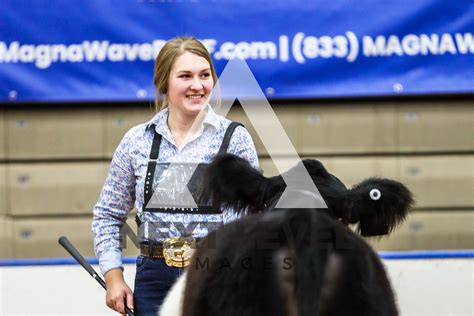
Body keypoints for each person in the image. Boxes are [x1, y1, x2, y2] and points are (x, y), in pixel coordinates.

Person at [92, 36, 259, 315]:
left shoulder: (235, 139)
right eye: (185, 76)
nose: (198, 85)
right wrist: (113, 277)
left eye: (205, 75)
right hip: (153, 280)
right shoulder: (137, 141)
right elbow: (108, 215)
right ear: (164, 83)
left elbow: (247, 220)